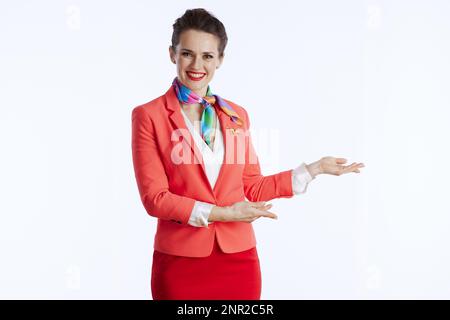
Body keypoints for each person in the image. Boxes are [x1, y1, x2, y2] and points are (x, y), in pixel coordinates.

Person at [131, 8, 365, 300]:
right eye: (187, 53)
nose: (196, 65)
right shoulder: (149, 115)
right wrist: (224, 213)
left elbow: (251, 186)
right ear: (172, 54)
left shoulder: (236, 115)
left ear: (220, 60)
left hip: (238, 260)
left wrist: (312, 170)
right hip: (180, 262)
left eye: (207, 56)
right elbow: (155, 199)